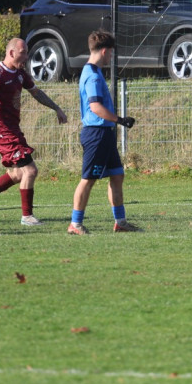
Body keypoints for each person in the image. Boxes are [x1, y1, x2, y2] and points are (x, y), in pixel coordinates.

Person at [0, 38, 68, 226]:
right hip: (3, 130)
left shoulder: (19, 73)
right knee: (30, 170)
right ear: (11, 53)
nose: (27, 57)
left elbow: (36, 92)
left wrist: (56, 108)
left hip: (13, 129)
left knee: (19, 174)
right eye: (23, 53)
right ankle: (27, 216)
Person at [67, 30, 140, 235]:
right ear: (105, 51)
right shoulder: (92, 76)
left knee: (117, 175)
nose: (111, 58)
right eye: (111, 54)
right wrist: (120, 120)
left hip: (105, 134)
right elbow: (95, 107)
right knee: (88, 179)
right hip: (96, 134)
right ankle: (75, 223)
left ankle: (121, 222)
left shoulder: (95, 72)